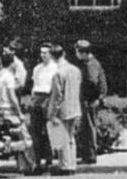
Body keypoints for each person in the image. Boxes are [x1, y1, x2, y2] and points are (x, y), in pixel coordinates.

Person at [0, 52, 35, 175]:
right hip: (8, 110)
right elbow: (12, 96)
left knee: (15, 138)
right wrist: (19, 112)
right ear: (12, 63)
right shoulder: (9, 77)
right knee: (25, 138)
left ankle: (22, 166)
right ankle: (30, 165)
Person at [47, 43, 82, 175]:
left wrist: (52, 113)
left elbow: (57, 96)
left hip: (63, 110)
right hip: (75, 107)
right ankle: (72, 165)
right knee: (71, 138)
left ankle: (65, 166)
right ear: (64, 54)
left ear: (52, 56)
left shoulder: (58, 73)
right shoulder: (75, 70)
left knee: (62, 139)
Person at [74, 39, 108, 164]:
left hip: (90, 100)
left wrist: (93, 98)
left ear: (83, 52)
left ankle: (90, 156)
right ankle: (87, 155)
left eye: (77, 51)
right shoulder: (90, 62)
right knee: (87, 128)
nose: (76, 54)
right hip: (90, 100)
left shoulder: (90, 64)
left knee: (89, 128)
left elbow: (93, 81)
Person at [29, 42, 57, 174]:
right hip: (37, 98)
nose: (43, 55)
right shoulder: (37, 68)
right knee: (35, 131)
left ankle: (49, 159)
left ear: (51, 54)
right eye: (41, 53)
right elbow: (34, 85)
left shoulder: (55, 68)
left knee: (47, 131)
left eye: (46, 53)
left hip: (48, 97)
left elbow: (55, 88)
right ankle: (37, 159)